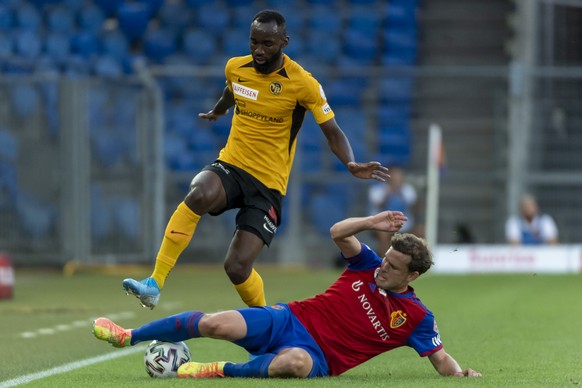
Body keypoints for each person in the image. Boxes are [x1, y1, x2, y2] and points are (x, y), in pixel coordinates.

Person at [121, 10, 390, 310]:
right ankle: (154, 283)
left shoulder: (303, 83)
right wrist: (218, 111)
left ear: (284, 42)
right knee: (199, 193)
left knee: (236, 267)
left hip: (268, 185)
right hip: (232, 165)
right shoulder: (236, 67)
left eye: (268, 43)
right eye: (254, 42)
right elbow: (232, 91)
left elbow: (333, 132)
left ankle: (265, 324)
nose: (259, 50)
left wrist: (350, 163)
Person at [94, 210, 481, 379]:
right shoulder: (366, 264)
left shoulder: (415, 317)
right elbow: (337, 233)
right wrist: (370, 222)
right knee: (214, 323)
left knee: (293, 364)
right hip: (289, 319)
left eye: (394, 268)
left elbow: (440, 357)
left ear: (411, 276)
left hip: (318, 358)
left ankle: (219, 371)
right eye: (386, 259)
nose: (383, 268)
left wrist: (462, 374)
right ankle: (129, 336)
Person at [368, 166, 419, 255]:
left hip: (405, 225)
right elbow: (378, 204)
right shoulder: (377, 189)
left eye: (398, 175)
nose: (396, 178)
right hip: (383, 225)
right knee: (382, 234)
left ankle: (415, 262)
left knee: (420, 231)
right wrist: (389, 193)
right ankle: (383, 261)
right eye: (394, 175)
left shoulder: (407, 189)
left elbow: (414, 206)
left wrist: (400, 193)